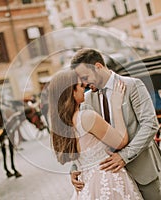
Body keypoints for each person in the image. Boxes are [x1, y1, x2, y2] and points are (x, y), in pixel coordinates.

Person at [70, 48, 161, 200]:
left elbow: (150, 124)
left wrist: (124, 156)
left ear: (99, 67)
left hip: (141, 168)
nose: (84, 83)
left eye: (85, 77)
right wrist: (75, 167)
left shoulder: (133, 85)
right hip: (110, 178)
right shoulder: (87, 99)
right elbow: (85, 138)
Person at [48, 69, 143, 199]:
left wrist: (74, 170)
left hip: (85, 185)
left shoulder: (60, 126)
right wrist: (116, 107)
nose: (84, 88)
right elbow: (120, 141)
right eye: (80, 86)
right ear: (71, 92)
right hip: (107, 179)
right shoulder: (87, 118)